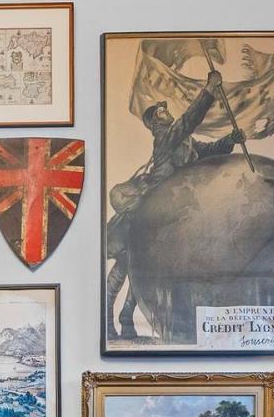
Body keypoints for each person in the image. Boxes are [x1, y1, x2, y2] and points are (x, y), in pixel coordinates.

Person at [106, 68, 247, 337]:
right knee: (128, 263)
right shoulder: (165, 138)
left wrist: (231, 139)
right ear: (155, 123)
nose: (165, 110)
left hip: (173, 208)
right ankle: (109, 320)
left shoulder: (185, 142)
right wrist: (208, 91)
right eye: (160, 111)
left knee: (141, 264)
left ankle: (126, 318)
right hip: (153, 206)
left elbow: (208, 151)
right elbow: (188, 120)